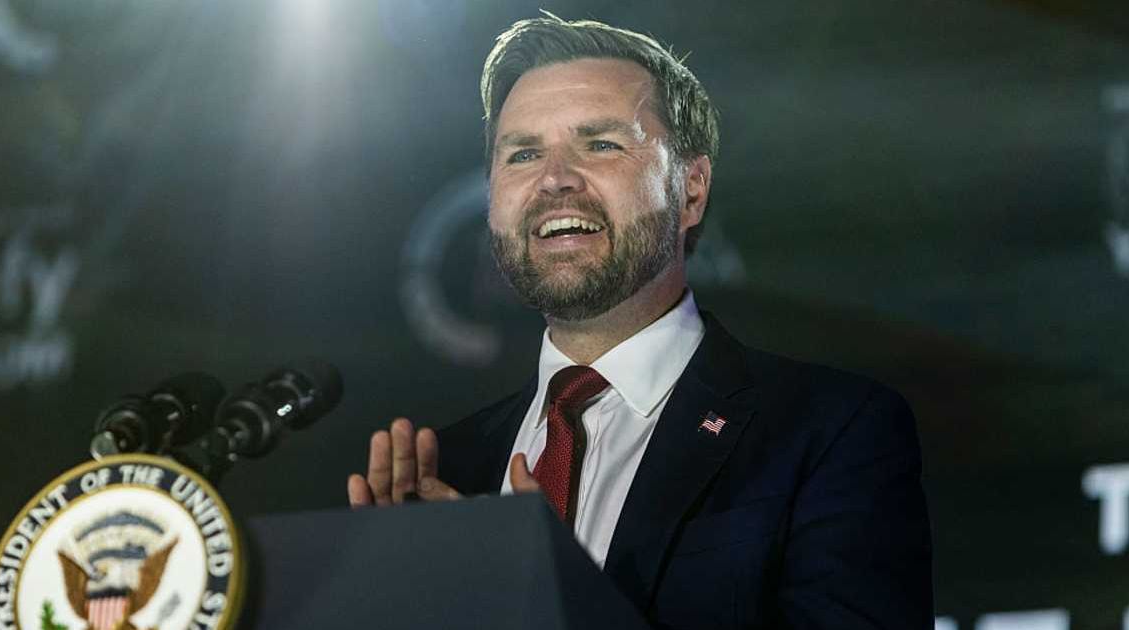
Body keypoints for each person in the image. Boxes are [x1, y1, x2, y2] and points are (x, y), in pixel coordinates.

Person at [348, 14, 933, 629]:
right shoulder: (446, 473)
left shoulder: (832, 432)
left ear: (692, 190)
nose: (553, 180)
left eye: (600, 144)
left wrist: (568, 605)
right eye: (522, 153)